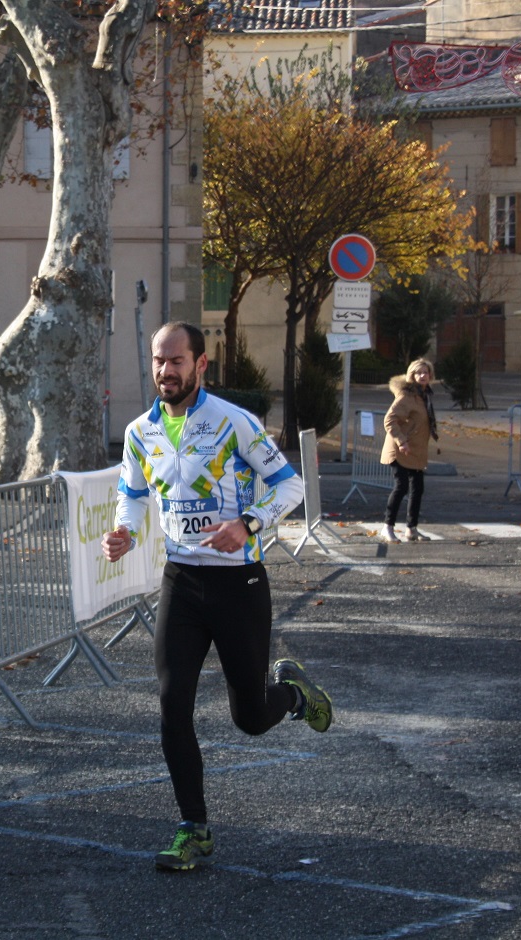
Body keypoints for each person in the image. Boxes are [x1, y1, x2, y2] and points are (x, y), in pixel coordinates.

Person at [100, 321, 332, 873]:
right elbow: (131, 494)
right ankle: (193, 828)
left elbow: (291, 485)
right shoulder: (140, 432)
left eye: (176, 360)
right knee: (171, 702)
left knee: (250, 717)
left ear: (200, 364)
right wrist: (124, 532)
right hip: (181, 580)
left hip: (238, 584)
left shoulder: (232, 422)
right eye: (159, 361)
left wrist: (249, 525)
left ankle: (293, 694)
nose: (165, 371)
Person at [378, 357, 439, 544]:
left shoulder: (425, 395)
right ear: (411, 376)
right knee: (401, 486)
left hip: (416, 450)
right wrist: (402, 441)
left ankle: (411, 529)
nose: (422, 376)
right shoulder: (407, 396)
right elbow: (389, 419)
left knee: (417, 489)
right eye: (418, 373)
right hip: (400, 448)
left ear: (430, 375)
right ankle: (387, 527)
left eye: (425, 372)